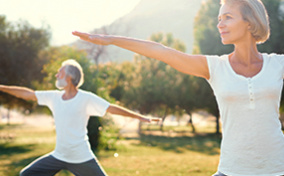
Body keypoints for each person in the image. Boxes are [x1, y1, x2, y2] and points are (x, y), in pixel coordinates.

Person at [72, 0, 284, 175]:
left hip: (277, 168)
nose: (219, 24)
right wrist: (110, 40)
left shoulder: (277, 64)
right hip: (231, 169)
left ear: (250, 22)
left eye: (228, 17)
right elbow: (162, 52)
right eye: (219, 19)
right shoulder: (215, 67)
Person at [0, 59, 158, 176]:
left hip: (81, 157)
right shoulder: (53, 97)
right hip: (58, 155)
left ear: (69, 77)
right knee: (26, 175)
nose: (56, 74)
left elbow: (111, 108)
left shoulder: (86, 98)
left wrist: (141, 117)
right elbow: (27, 94)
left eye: (60, 72)